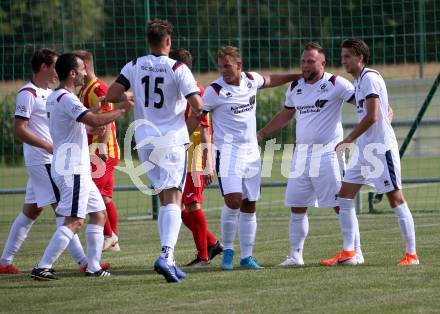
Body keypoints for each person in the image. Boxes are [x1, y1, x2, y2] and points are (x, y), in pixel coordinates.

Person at [105, 19, 204, 283]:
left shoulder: (135, 65)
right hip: (171, 141)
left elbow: (112, 94)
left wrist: (128, 97)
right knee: (174, 198)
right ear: (168, 42)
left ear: (148, 42)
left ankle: (169, 260)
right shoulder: (178, 68)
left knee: (164, 199)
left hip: (145, 141)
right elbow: (197, 104)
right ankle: (166, 254)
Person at [257, 42, 364, 266]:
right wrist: (263, 133)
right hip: (301, 155)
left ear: (322, 64)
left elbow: (364, 102)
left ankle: (355, 252)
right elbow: (286, 115)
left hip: (328, 154)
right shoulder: (295, 86)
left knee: (340, 203)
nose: (305, 65)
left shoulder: (336, 83)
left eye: (310, 61)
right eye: (303, 61)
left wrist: (382, 110)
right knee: (297, 205)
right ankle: (296, 256)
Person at [30, 53, 133, 280]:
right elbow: (95, 121)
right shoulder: (67, 98)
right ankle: (42, 266)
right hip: (72, 169)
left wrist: (86, 130)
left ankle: (93, 267)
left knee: (99, 214)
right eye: (82, 69)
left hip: (76, 167)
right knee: (75, 221)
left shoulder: (57, 97)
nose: (86, 73)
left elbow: (71, 126)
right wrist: (123, 109)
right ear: (73, 73)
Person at [320, 38, 419, 266]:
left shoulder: (370, 78)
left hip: (379, 150)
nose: (343, 60)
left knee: (395, 198)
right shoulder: (360, 81)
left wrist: (348, 139)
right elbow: (384, 110)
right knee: (344, 195)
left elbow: (373, 115)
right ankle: (350, 252)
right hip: (365, 150)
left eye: (347, 56)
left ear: (360, 58)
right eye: (342, 56)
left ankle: (411, 255)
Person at [203, 46, 299, 270]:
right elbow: (199, 117)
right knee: (233, 200)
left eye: (227, 66)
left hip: (251, 153)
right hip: (227, 153)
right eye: (221, 66)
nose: (223, 70)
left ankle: (247, 257)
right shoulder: (214, 90)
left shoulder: (250, 80)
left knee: (249, 204)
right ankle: (228, 250)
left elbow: (272, 79)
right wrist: (205, 159)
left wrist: (297, 76)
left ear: (238, 65)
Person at [0, 48, 94, 275]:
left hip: (51, 160)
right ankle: (84, 263)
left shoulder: (51, 94)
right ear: (43, 67)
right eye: (54, 66)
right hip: (43, 160)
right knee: (65, 211)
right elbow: (18, 129)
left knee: (31, 211)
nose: (57, 72)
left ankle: (4, 262)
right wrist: (47, 145)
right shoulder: (28, 93)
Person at [169, 49, 223, 267]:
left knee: (191, 205)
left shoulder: (196, 92)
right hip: (177, 157)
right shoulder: (176, 92)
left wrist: (208, 163)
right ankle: (211, 243)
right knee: (176, 206)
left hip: (194, 158)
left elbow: (206, 130)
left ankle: (203, 256)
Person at [75, 50, 121, 252]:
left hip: (103, 152)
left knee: (90, 192)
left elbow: (108, 119)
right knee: (104, 197)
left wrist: (101, 148)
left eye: (77, 67)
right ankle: (113, 241)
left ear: (85, 66)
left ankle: (109, 235)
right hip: (95, 151)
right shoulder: (85, 89)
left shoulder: (99, 88)